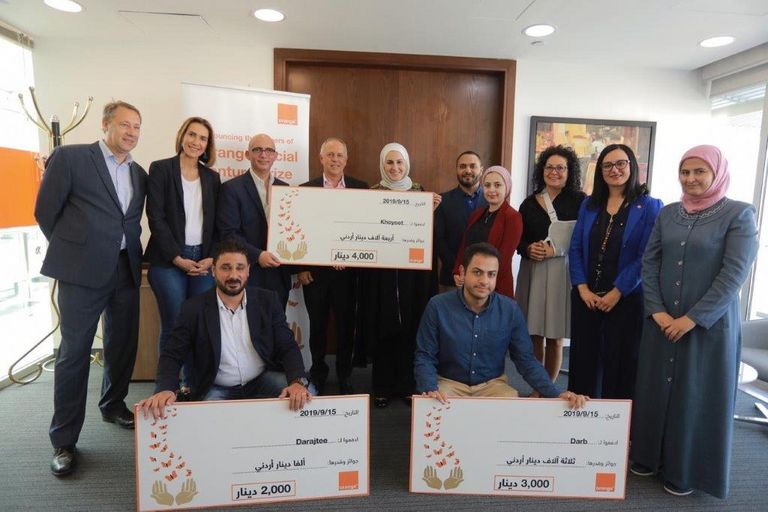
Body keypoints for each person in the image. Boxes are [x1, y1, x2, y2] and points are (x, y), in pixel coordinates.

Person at [630, 145, 757, 498]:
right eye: (685, 172)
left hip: (707, 327)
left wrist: (692, 319)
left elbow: (734, 275)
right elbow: (650, 262)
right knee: (655, 390)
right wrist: (656, 310)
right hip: (661, 321)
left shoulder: (739, 214)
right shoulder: (669, 213)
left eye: (700, 171)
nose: (691, 179)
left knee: (694, 395)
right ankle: (648, 457)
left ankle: (684, 471)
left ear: (717, 173)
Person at [34, 100, 148, 476]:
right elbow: (45, 211)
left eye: (137, 126)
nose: (131, 132)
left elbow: (129, 221)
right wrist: (75, 249)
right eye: (125, 124)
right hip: (80, 272)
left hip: (125, 268)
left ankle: (113, 405)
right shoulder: (70, 158)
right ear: (105, 124)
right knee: (74, 353)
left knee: (122, 344)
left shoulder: (139, 173)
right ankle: (64, 440)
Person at [138, 240, 313, 418]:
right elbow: (172, 354)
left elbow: (287, 345)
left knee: (307, 395)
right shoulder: (193, 309)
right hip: (217, 388)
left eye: (240, 268)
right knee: (207, 424)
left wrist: (297, 381)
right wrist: (165, 388)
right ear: (214, 271)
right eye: (226, 268)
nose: (233, 275)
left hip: (261, 381)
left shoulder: (267, 301)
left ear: (248, 271)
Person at [415, 243, 587, 408]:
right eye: (477, 272)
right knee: (433, 409)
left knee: (511, 409)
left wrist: (556, 393)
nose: (484, 281)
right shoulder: (438, 306)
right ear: (462, 272)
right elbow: (425, 356)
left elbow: (526, 360)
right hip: (449, 384)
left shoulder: (509, 310)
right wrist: (430, 388)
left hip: (492, 385)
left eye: (491, 274)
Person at [568, 144, 662, 399]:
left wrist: (618, 291)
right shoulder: (589, 204)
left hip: (626, 299)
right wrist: (582, 287)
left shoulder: (650, 206)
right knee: (583, 364)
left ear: (632, 166)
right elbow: (575, 248)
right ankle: (580, 419)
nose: (614, 170)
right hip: (586, 298)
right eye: (607, 165)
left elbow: (646, 256)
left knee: (620, 366)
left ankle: (616, 424)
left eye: (621, 163)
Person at [145, 117, 221, 388]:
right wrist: (177, 258)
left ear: (207, 145)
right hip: (169, 260)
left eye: (203, 138)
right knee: (175, 323)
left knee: (198, 324)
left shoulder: (212, 178)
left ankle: (191, 385)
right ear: (182, 136)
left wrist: (211, 258)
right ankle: (167, 387)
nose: (196, 142)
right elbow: (155, 217)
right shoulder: (161, 169)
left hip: (203, 260)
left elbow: (217, 222)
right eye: (192, 134)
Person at [364, 142, 440, 408]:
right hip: (381, 272)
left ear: (407, 164)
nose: (395, 168)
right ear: (382, 165)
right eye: (389, 162)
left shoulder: (421, 193)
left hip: (412, 272)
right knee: (383, 324)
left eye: (399, 162)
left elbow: (428, 234)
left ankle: (408, 385)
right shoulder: (371, 194)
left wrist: (430, 212)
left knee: (411, 325)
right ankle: (382, 387)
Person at [296, 137, 368, 395]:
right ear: (321, 159)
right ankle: (318, 373)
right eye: (330, 155)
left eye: (339, 155)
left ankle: (345, 375)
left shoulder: (362, 189)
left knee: (346, 327)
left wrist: (350, 256)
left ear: (346, 160)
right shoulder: (305, 190)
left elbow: (366, 228)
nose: (335, 159)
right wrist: (301, 267)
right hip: (315, 275)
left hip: (348, 275)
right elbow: (299, 230)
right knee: (317, 327)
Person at [517, 146, 585, 382]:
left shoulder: (580, 201)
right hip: (533, 271)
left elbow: (585, 237)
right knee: (534, 333)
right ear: (542, 170)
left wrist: (556, 250)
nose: (554, 172)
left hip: (561, 273)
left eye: (560, 168)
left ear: (569, 171)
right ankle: (538, 385)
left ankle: (549, 388)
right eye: (549, 167)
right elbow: (518, 238)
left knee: (555, 336)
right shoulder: (528, 203)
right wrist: (528, 249)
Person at [217, 134, 291, 307]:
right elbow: (228, 234)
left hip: (279, 274)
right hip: (248, 273)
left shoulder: (286, 189)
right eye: (257, 150)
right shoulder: (231, 189)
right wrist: (258, 255)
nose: (263, 155)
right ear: (247, 154)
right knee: (249, 322)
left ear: (275, 156)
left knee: (276, 321)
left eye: (269, 150)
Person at [452, 166, 521, 299]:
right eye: (487, 185)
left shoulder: (513, 217)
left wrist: (483, 280)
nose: (491, 190)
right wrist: (458, 272)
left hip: (495, 285)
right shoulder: (477, 214)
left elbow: (504, 258)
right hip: (470, 283)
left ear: (507, 187)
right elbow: (465, 247)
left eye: (497, 185)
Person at [434, 151, 487, 293]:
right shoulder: (443, 201)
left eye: (472, 166)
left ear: (481, 170)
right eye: (462, 166)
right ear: (456, 170)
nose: (467, 170)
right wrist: (457, 269)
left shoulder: (492, 201)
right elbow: (439, 240)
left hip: (485, 279)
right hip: (452, 278)